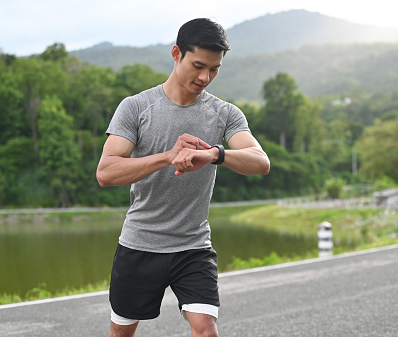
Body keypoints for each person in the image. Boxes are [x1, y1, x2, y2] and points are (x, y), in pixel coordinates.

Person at [96, 17, 270, 337]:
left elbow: (260, 162)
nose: (205, 77)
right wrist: (166, 156)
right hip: (140, 244)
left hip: (193, 246)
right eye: (198, 65)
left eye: (214, 69)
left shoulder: (225, 113)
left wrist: (214, 154)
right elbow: (105, 172)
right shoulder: (136, 108)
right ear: (177, 53)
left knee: (206, 329)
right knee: (121, 333)